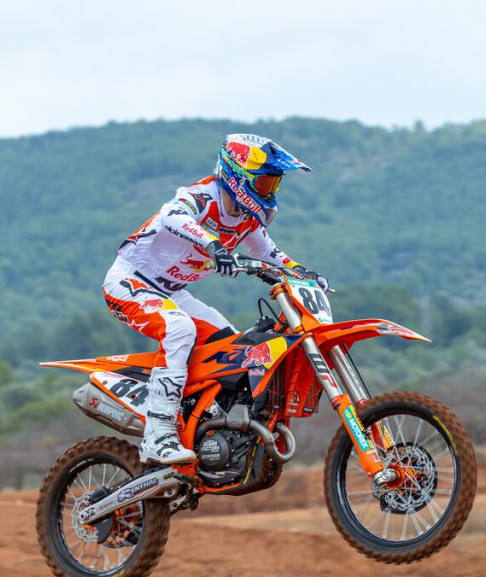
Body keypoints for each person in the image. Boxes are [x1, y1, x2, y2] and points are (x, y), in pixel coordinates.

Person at [103, 134, 329, 464]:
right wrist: (212, 244)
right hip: (129, 281)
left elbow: (268, 253)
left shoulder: (247, 217)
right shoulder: (202, 196)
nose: (270, 191)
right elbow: (172, 215)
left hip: (170, 292)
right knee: (179, 330)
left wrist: (302, 272)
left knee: (232, 347)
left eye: (274, 184)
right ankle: (158, 434)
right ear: (238, 176)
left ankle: (206, 427)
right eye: (264, 183)